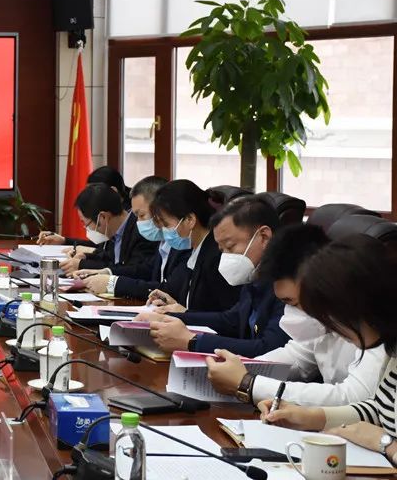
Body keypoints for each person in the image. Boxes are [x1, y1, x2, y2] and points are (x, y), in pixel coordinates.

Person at [204, 224, 384, 406]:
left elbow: (355, 397)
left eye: (294, 303)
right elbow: (296, 357)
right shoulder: (323, 324)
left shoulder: (372, 325)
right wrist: (239, 372)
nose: (291, 312)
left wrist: (249, 383)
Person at [256, 235, 397, 465]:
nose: (333, 329)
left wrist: (387, 444)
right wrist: (310, 416)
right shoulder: (391, 350)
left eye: (332, 317)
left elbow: (379, 431)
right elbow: (380, 409)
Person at [139, 196, 288, 357]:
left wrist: (192, 341)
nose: (226, 257)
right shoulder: (256, 274)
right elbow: (232, 320)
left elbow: (269, 349)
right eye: (222, 250)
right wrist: (166, 317)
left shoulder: (290, 280)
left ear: (264, 236)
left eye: (230, 247)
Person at [140, 179, 240, 313]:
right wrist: (172, 303)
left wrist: (185, 314)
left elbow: (229, 318)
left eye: (166, 225)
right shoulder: (195, 250)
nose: (164, 231)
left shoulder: (215, 256)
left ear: (190, 220)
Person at [73, 176, 169, 298]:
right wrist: (106, 272)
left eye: (141, 215)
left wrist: (112, 283)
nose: (137, 222)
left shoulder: (150, 236)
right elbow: (147, 269)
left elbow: (165, 287)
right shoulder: (164, 242)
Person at [58, 182, 159, 275]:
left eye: (86, 223)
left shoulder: (141, 231)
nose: (86, 228)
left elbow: (134, 270)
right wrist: (86, 257)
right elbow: (110, 260)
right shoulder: (115, 231)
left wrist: (82, 265)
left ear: (103, 217)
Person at [37, 166, 131, 244]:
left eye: (96, 191)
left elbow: (106, 250)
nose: (90, 196)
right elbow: (103, 246)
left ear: (113, 191)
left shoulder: (129, 218)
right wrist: (64, 240)